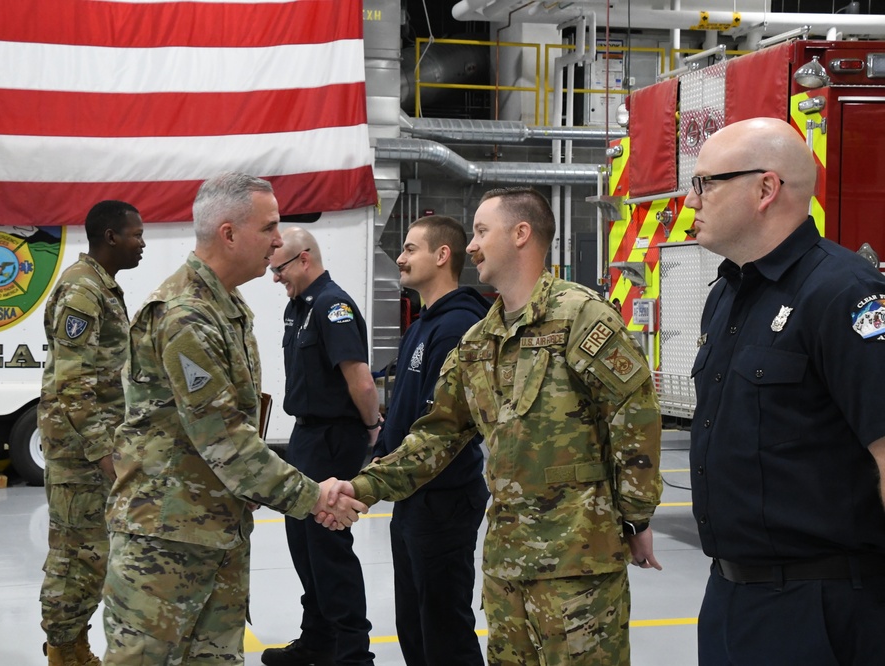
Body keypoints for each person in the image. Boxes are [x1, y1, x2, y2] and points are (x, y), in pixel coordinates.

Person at [326, 186, 664, 665]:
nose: (471, 245)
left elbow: (634, 412)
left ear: (521, 234)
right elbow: (437, 435)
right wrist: (362, 487)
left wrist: (635, 516)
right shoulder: (481, 339)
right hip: (507, 568)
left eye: (482, 231)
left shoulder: (579, 316)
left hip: (576, 565)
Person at [101, 173, 367, 666]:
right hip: (165, 545)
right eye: (269, 227)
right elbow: (223, 438)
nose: (277, 240)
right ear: (228, 233)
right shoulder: (186, 315)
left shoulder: (228, 306)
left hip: (215, 534)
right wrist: (313, 497)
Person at [685, 117, 885, 665]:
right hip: (731, 597)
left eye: (706, 183)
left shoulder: (845, 292)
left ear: (766, 189)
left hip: (819, 607)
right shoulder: (727, 294)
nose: (690, 198)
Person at [375, 215, 490, 666]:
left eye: (410, 249)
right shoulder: (424, 324)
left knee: (443, 627)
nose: (400, 258)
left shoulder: (457, 326)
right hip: (412, 496)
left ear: (442, 256)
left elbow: (442, 427)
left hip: (443, 499)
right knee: (414, 622)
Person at [260, 227, 378, 666]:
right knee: (303, 545)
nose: (275, 278)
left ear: (304, 258)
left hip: (334, 438)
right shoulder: (299, 307)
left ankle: (351, 654)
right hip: (306, 436)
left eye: (280, 268)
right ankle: (318, 641)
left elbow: (360, 379)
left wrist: (371, 428)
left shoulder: (333, 306)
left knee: (328, 547)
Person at [39, 199, 145, 666]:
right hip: (80, 450)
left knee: (91, 552)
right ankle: (63, 650)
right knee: (75, 555)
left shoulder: (101, 286)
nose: (143, 243)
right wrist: (103, 450)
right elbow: (71, 380)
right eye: (136, 234)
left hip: (95, 441)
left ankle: (73, 644)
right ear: (110, 237)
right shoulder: (83, 291)